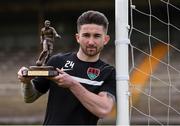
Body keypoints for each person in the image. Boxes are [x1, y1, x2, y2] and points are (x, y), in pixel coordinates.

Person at [18, 10, 116, 125]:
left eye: (97, 36)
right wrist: (26, 82)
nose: (91, 42)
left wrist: (72, 84)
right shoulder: (57, 61)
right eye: (86, 35)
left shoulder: (108, 72)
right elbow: (29, 98)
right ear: (77, 37)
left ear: (105, 39)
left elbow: (103, 110)